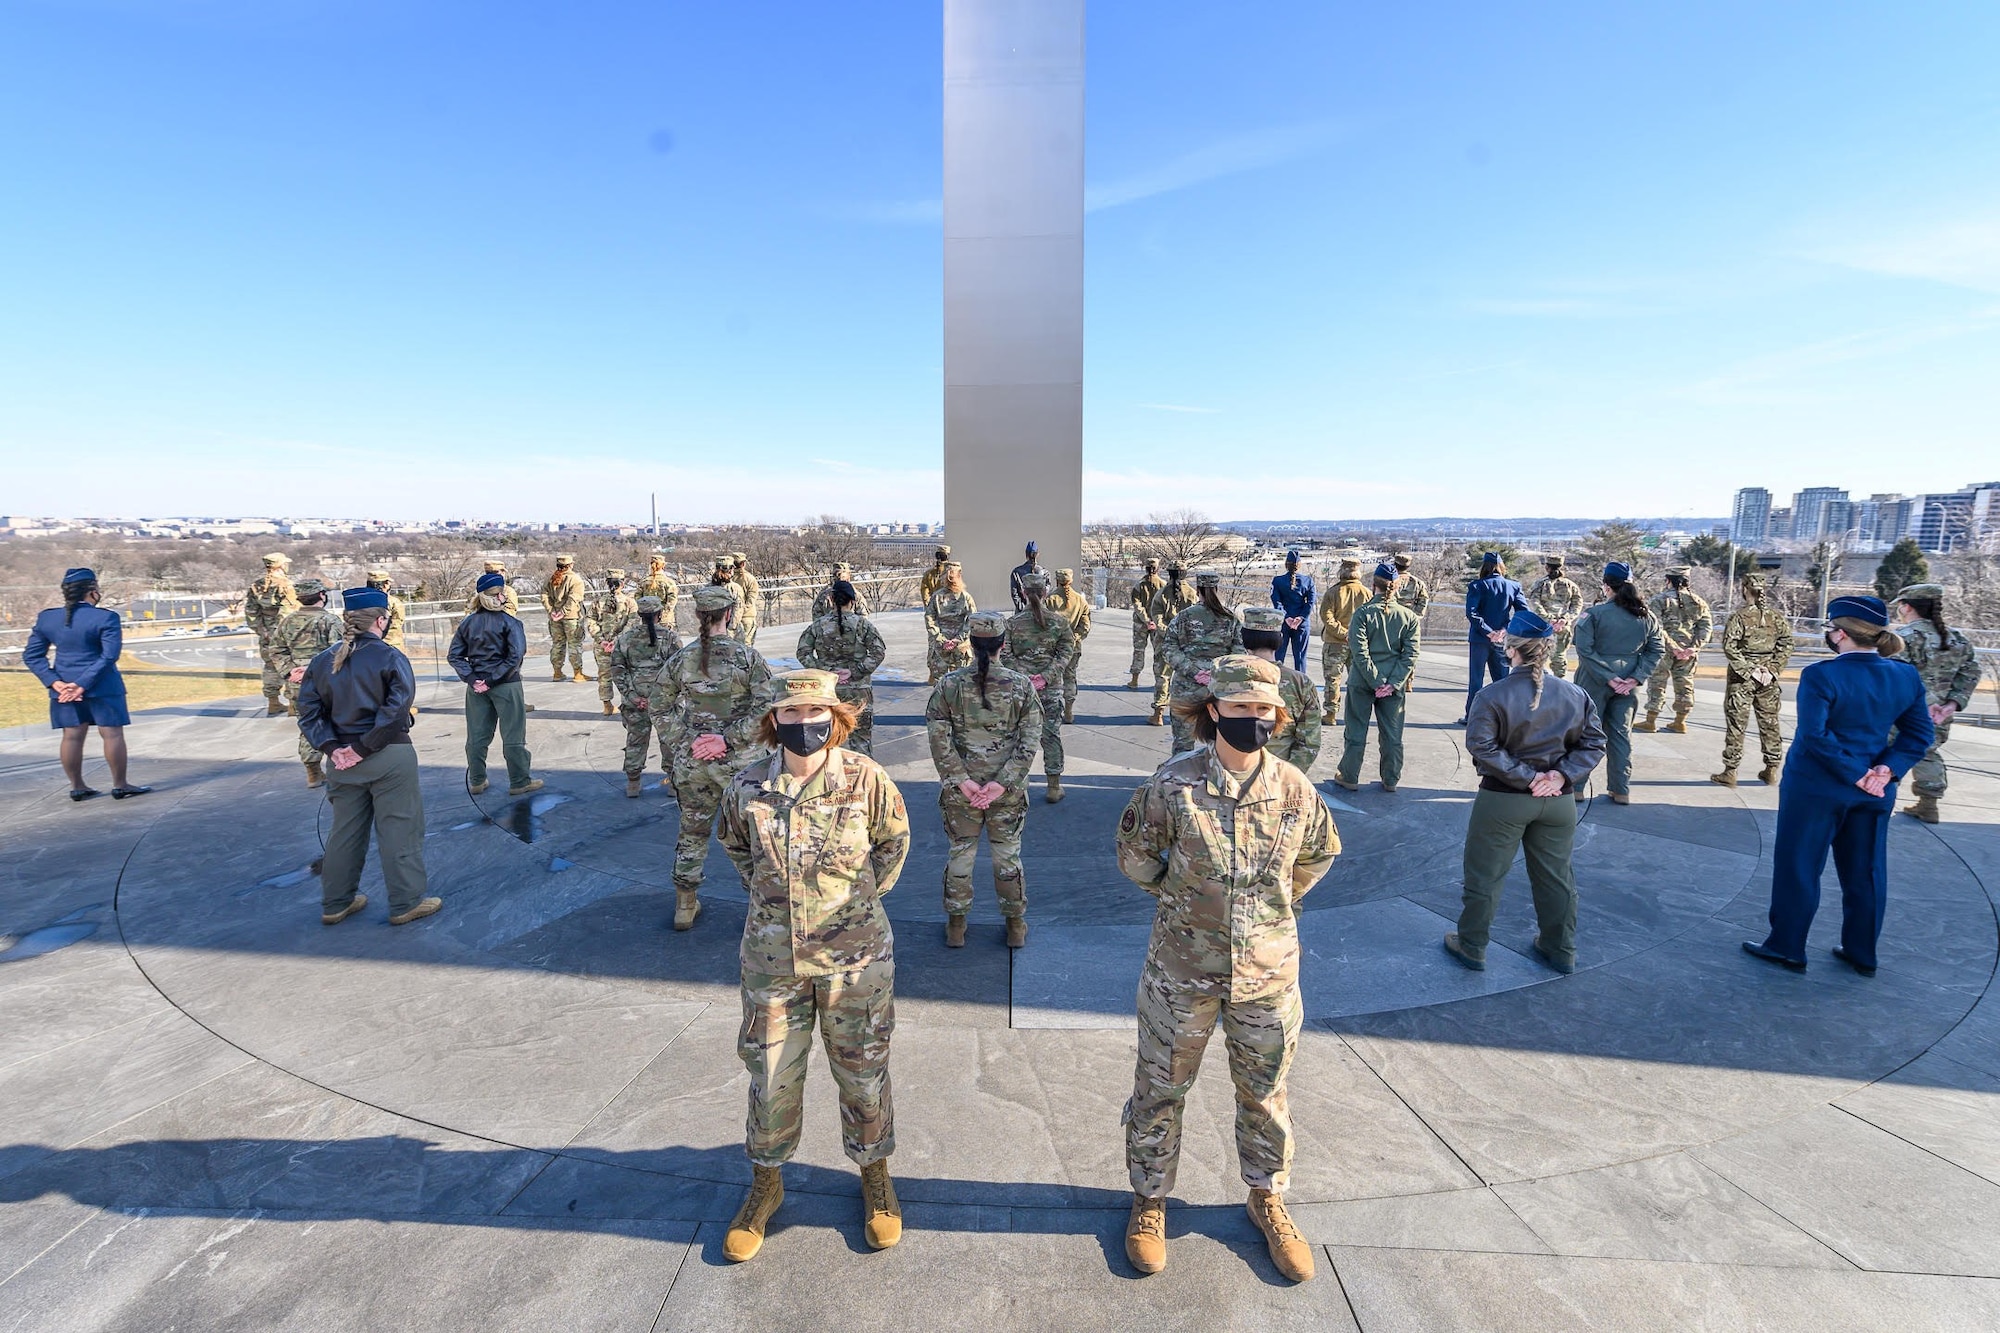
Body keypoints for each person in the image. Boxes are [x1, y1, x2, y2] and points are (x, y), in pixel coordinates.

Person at [1116, 654, 1340, 1283]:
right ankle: (1149, 1197)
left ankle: (1266, 1195)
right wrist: (1189, 903)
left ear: (1278, 715)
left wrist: (1267, 911)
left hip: (1268, 976)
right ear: (1213, 710)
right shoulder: (1172, 784)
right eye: (1240, 708)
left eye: (1263, 710)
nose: (1253, 720)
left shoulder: (1294, 787)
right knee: (1159, 1089)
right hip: (1181, 972)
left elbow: (1319, 854)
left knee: (1265, 1095)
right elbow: (1135, 855)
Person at [715, 669, 912, 1262]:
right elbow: (736, 849)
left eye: (816, 714)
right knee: (771, 1074)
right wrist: (778, 905)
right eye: (793, 715)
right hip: (773, 962)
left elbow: (892, 847)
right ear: (775, 720)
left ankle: (875, 1176)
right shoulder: (747, 785)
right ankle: (766, 1184)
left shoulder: (867, 779)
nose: (806, 725)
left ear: (837, 718)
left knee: (862, 1072)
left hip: (855, 962)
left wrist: (848, 907)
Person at [1743, 597, 1932, 976]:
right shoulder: (1905, 675)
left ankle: (1788, 946)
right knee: (1866, 871)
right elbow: (1918, 734)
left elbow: (1814, 735)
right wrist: (1885, 771)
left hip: (1816, 788)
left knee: (1799, 866)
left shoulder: (1820, 675)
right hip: (1876, 792)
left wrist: (1854, 773)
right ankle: (1862, 952)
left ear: (1840, 633)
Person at [1444, 609, 1607, 975]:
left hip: (1503, 799)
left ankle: (1472, 945)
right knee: (1557, 878)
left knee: (1485, 876)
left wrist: (1525, 777)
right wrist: (1560, 777)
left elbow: (1482, 746)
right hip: (1558, 802)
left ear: (1509, 648)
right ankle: (1561, 948)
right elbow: (1595, 743)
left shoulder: (1491, 694)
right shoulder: (1575, 694)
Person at [297, 586, 439, 926]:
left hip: (342, 763)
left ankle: (336, 903)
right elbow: (396, 710)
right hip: (388, 755)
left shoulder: (321, 661)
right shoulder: (390, 657)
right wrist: (363, 748)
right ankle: (405, 902)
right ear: (380, 620)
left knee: (345, 833)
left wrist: (333, 749)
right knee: (400, 829)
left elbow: (308, 713)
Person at [658, 582, 775, 930]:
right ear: (729, 615)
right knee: (755, 836)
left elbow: (660, 707)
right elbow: (766, 707)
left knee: (692, 832)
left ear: (698, 616)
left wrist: (690, 741)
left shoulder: (681, 659)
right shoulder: (748, 658)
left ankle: (684, 905)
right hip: (741, 767)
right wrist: (726, 740)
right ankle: (764, 909)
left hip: (694, 764)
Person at [925, 610, 1042, 948]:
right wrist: (1003, 782)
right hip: (1005, 792)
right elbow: (1030, 738)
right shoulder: (1020, 685)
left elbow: (938, 736)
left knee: (961, 853)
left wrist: (961, 780)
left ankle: (956, 926)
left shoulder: (949, 685)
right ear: (1002, 645)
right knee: (1007, 855)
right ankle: (1015, 926)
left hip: (962, 793)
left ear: (971, 644)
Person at [25, 568, 149, 801]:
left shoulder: (47, 618)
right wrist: (82, 685)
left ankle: (77, 786)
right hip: (103, 685)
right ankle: (120, 785)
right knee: (112, 735)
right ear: (93, 592)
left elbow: (32, 656)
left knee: (71, 735)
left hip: (63, 689)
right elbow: (109, 656)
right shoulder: (106, 617)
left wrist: (56, 683)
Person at [1571, 563, 1665, 805]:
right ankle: (1620, 789)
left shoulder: (1593, 615)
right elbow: (1656, 650)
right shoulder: (1646, 616)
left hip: (1594, 681)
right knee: (1621, 735)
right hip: (1629, 683)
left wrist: (1608, 676)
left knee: (1586, 733)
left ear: (1606, 586)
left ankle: (1577, 787)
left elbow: (1584, 649)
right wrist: (1635, 677)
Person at [1893, 584, 1980, 825]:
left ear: (1907, 606)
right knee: (1927, 751)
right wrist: (1952, 703)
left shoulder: (1904, 637)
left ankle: (1881, 798)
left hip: (1904, 710)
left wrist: (1926, 702)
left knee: (1891, 751)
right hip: (1940, 714)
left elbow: (1897, 674)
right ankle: (1928, 805)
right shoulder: (1957, 638)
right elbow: (1971, 672)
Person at [450, 572, 539, 798]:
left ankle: (477, 780)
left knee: (477, 736)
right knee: (513, 736)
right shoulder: (510, 622)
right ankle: (519, 781)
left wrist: (472, 679)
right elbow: (515, 656)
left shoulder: (467, 623)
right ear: (501, 595)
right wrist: (492, 680)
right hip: (506, 684)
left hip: (476, 687)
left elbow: (455, 656)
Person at [1334, 563, 1421, 794]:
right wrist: (1391, 683)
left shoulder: (1362, 614)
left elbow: (1359, 652)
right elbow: (1410, 654)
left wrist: (1375, 680)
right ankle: (1390, 779)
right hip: (1394, 686)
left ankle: (1349, 775)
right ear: (1397, 587)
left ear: (1374, 586)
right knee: (1392, 734)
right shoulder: (1409, 617)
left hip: (1362, 682)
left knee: (1356, 731)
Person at [1710, 572, 1791, 788]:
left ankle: (1730, 771)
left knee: (1737, 725)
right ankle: (1772, 769)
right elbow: (1786, 644)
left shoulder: (1739, 617)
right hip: (1768, 680)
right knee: (1770, 724)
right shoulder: (1777, 617)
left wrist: (1749, 670)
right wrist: (1772, 669)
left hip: (1741, 679)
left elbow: (1730, 647)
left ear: (1745, 589)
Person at [1004, 572, 1075, 803]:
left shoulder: (1012, 624)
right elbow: (1066, 653)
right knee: (1051, 735)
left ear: (1024, 593)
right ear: (1045, 593)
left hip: (1020, 690)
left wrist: (1025, 678)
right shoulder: (1059, 622)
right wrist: (1045, 677)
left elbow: (1004, 655)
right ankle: (1054, 787)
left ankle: (1016, 785)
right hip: (1050, 689)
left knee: (1017, 736)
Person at [797, 581, 888, 754]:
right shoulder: (863, 624)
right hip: (858, 691)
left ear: (831, 599)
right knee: (861, 741)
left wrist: (823, 672)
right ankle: (863, 779)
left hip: (827, 690)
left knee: (826, 740)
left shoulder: (818, 625)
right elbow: (878, 652)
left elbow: (803, 652)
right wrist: (855, 672)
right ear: (852, 601)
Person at [270, 579, 342, 785]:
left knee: (308, 723)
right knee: (335, 721)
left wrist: (290, 671)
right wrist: (315, 671)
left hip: (297, 683)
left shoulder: (287, 621)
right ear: (321, 596)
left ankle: (312, 770)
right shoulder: (330, 621)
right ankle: (339, 763)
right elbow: (338, 652)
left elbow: (276, 650)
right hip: (326, 682)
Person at [610, 595, 683, 798]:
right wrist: (665, 698)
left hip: (636, 702)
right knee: (670, 741)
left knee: (635, 740)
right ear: (659, 614)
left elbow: (617, 669)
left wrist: (633, 696)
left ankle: (633, 783)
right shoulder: (670, 637)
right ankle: (673, 783)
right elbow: (680, 670)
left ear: (640, 615)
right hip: (664, 702)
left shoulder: (626, 639)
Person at [1163, 570, 1244, 753]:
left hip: (1186, 687)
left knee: (1183, 743)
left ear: (1198, 590)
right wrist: (1215, 673)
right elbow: (1239, 654)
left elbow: (1168, 648)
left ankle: (1181, 778)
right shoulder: (1231, 619)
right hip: (1219, 689)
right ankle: (1218, 779)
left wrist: (1193, 671)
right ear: (1216, 588)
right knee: (1221, 743)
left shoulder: (1184, 617)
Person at [1238, 606, 1321, 773]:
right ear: (1279, 639)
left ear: (1244, 638)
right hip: (1280, 774)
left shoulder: (1227, 677)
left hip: (1234, 774)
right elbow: (1309, 741)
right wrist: (1288, 777)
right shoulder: (1301, 682)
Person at [1638, 567, 1712, 734]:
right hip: (1688, 652)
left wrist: (1674, 646)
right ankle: (1680, 721)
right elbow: (1705, 628)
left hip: (1663, 649)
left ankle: (1651, 720)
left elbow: (1656, 627)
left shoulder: (1659, 600)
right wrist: (1693, 647)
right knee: (1685, 684)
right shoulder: (1699, 602)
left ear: (1668, 581)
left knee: (1657, 682)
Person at [1462, 551, 1530, 724]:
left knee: (1476, 680)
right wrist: (1504, 630)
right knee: (1502, 680)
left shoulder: (1477, 586)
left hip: (1479, 639)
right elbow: (1523, 612)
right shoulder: (1513, 586)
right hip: (1503, 639)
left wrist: (1487, 631)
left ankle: (1472, 716)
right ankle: (1505, 717)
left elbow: (1471, 613)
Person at [1316, 556, 1368, 726]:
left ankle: (1331, 714)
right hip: (1358, 643)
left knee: (1332, 680)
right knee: (1357, 681)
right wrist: (1354, 635)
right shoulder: (1366, 593)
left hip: (1334, 643)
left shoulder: (1333, 592)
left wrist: (1342, 633)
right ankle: (1356, 714)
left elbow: (1326, 617)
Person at [245, 552, 300, 716]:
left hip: (267, 634)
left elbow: (251, 613)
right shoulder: (286, 585)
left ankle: (273, 702)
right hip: (284, 636)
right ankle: (292, 705)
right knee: (291, 668)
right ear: (281, 565)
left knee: (270, 667)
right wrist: (283, 634)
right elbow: (287, 613)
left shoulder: (257, 586)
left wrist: (262, 631)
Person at [1147, 565, 1197, 724]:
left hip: (1165, 642)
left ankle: (1158, 714)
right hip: (1186, 643)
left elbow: (1157, 619)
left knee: (1162, 676)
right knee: (1186, 677)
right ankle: (1184, 712)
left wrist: (1169, 633)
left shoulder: (1160, 594)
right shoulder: (1192, 594)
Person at [586, 568, 638, 716]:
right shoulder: (630, 602)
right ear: (623, 583)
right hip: (623, 646)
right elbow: (632, 624)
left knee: (604, 675)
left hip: (602, 646)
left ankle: (607, 705)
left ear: (607, 583)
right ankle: (628, 703)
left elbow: (590, 621)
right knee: (627, 674)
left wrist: (601, 640)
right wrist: (617, 640)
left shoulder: (598, 601)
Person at [1046, 567, 1093, 725]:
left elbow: (1042, 623)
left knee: (1052, 678)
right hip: (1073, 647)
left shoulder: (1049, 599)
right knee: (1070, 676)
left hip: (1052, 647)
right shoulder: (1080, 600)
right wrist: (1074, 638)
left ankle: (1052, 711)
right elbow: (1085, 626)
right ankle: (1069, 711)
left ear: (1057, 580)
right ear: (1071, 581)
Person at [1526, 555, 1583, 679]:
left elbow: (1534, 603)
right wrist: (1565, 619)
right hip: (1562, 627)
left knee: (1537, 657)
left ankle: (1538, 686)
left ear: (1547, 567)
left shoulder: (1540, 584)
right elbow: (1577, 604)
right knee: (1559, 657)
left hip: (1542, 626)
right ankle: (1560, 684)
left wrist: (1548, 619)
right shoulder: (1570, 585)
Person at [923, 560, 976, 685]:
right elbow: (972, 621)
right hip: (959, 645)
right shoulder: (966, 597)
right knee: (961, 684)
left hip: (942, 645)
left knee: (940, 685)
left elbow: (929, 618)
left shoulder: (937, 596)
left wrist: (941, 639)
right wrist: (957, 639)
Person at [544, 554, 590, 682]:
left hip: (554, 617)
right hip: (572, 617)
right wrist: (564, 612)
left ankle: (557, 672)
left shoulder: (550, 578)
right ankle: (577, 673)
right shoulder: (575, 579)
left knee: (557, 644)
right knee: (574, 644)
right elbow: (574, 598)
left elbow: (544, 595)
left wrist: (552, 611)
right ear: (570, 565)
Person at [1269, 550, 1316, 673]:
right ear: (1299, 565)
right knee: (1300, 657)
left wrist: (1286, 617)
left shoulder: (1277, 581)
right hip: (1301, 624)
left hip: (1283, 623)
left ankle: (1277, 682)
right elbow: (1310, 603)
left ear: (1286, 564)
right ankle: (1301, 685)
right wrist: (1301, 617)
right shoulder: (1308, 581)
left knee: (1279, 656)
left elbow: (1276, 601)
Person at [1128, 557, 1167, 690]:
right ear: (1158, 568)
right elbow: (1165, 607)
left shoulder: (1139, 585)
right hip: (1157, 625)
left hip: (1141, 624)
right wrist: (1155, 621)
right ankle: (1159, 682)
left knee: (1139, 651)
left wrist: (1146, 619)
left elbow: (1137, 605)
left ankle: (1134, 680)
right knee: (1159, 653)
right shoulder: (1163, 585)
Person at [729, 552, 762, 646]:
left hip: (731, 617)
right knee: (747, 644)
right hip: (747, 616)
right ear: (743, 563)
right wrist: (742, 611)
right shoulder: (750, 579)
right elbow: (751, 599)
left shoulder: (728, 578)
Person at [637, 554, 679, 620]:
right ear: (663, 565)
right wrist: (664, 614)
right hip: (665, 619)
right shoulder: (669, 582)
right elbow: (672, 600)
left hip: (647, 618)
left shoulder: (644, 582)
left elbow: (638, 598)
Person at [1008, 540, 1046, 611]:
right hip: (1041, 615)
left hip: (1021, 614)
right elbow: (1046, 594)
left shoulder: (1016, 572)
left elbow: (1015, 595)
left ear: (1026, 554)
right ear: (1038, 554)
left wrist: (1023, 610)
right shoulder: (1045, 573)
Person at [1391, 552, 1431, 619]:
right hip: (1409, 617)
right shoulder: (1418, 582)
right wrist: (1416, 616)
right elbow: (1424, 599)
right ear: (1408, 566)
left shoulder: (1388, 580)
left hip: (1391, 616)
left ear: (1395, 565)